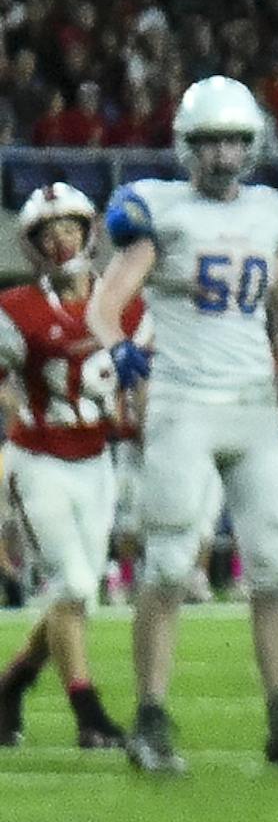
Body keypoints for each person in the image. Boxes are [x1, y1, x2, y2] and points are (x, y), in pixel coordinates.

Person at [88, 79, 278, 775]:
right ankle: (149, 716)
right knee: (169, 562)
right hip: (183, 402)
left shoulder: (270, 215)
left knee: (275, 567)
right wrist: (120, 349)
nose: (223, 155)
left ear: (251, 144)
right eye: (210, 142)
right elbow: (106, 303)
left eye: (233, 140)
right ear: (187, 147)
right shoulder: (162, 212)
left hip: (254, 404)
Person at [0, 184, 134, 749]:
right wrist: (19, 410)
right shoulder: (17, 308)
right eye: (47, 231)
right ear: (32, 243)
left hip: (98, 460)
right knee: (73, 585)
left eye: (68, 227)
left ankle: (11, 685)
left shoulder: (121, 300)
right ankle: (88, 711)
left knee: (78, 596)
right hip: (39, 460)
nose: (60, 239)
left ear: (88, 231)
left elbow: (140, 378)